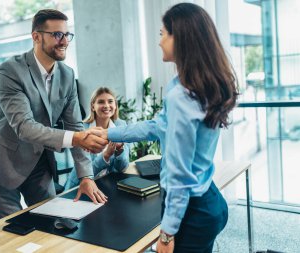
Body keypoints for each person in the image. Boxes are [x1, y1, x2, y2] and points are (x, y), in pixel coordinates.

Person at [89, 3, 238, 253]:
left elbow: (179, 175)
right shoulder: (192, 85)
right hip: (209, 200)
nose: (159, 41)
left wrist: (167, 235)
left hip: (192, 210)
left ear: (179, 38)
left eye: (162, 34)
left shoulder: (182, 95)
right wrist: (108, 133)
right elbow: (157, 126)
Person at [0, 9, 108, 219]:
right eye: (57, 34)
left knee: (53, 222)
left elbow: (75, 125)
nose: (64, 41)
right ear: (36, 36)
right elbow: (24, 126)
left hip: (38, 162)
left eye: (67, 35)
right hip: (3, 163)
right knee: (16, 232)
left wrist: (85, 176)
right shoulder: (9, 71)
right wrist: (77, 139)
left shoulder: (67, 75)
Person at [65, 87, 129, 189]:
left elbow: (122, 168)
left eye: (110, 101)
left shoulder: (121, 126)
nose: (106, 106)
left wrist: (119, 151)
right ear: (93, 106)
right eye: (101, 102)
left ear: (115, 106)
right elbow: (84, 172)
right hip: (81, 186)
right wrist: (105, 156)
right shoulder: (81, 129)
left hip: (109, 185)